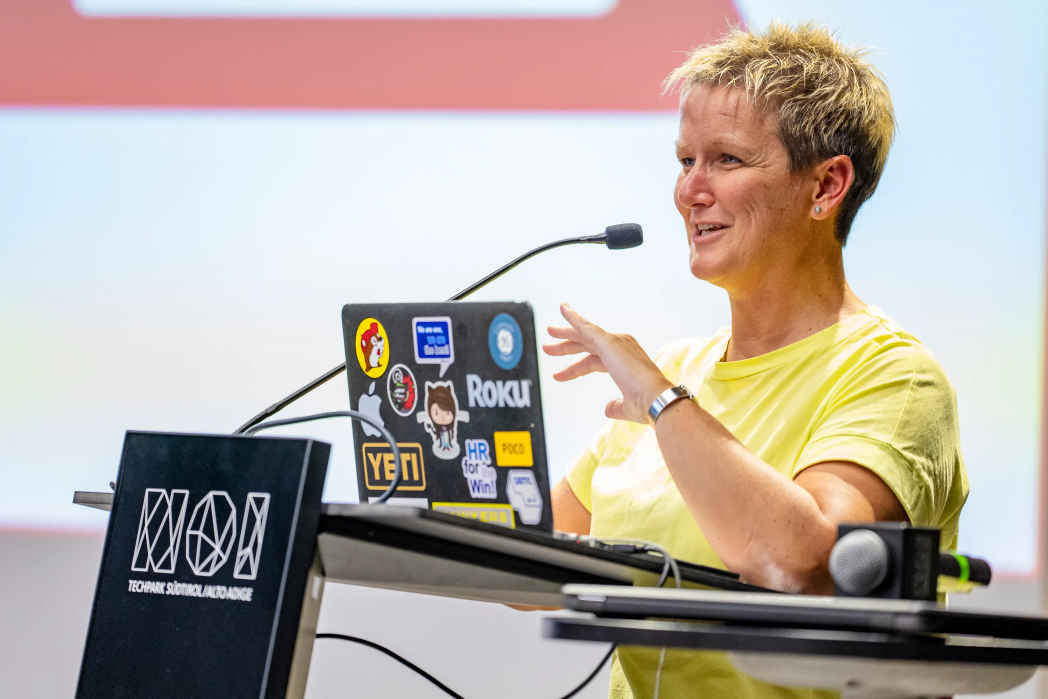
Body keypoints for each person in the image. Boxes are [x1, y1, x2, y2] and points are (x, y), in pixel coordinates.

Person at [544, 22, 968, 699]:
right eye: (685, 161)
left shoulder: (896, 377)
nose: (690, 191)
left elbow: (803, 566)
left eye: (727, 160)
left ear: (826, 185)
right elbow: (530, 563)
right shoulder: (676, 370)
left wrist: (662, 401)